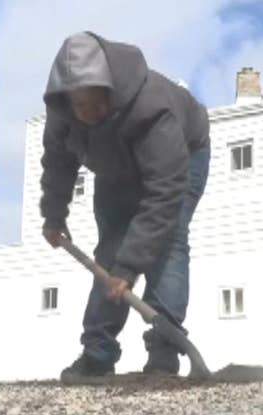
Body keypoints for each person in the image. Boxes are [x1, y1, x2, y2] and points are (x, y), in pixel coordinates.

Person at [39, 31, 210, 380]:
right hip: (115, 169)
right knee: (110, 253)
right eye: (82, 107)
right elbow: (57, 164)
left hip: (182, 155)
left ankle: (163, 353)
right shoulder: (62, 115)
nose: (91, 114)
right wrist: (53, 216)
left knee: (168, 242)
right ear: (68, 101)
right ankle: (98, 354)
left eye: (98, 103)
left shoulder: (152, 107)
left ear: (111, 88)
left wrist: (129, 269)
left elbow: (164, 192)